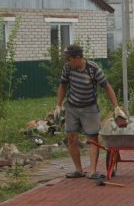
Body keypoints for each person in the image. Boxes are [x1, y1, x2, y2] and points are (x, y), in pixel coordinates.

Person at [54, 44, 127, 179]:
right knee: (71, 138)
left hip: (90, 108)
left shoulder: (93, 69)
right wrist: (58, 105)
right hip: (72, 107)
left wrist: (116, 106)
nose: (67, 62)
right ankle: (79, 170)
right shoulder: (68, 68)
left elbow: (107, 87)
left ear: (77, 58)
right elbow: (63, 86)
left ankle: (92, 171)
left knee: (92, 139)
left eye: (69, 59)